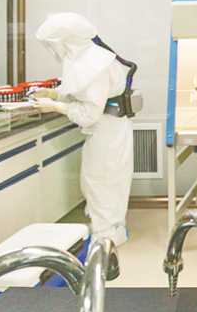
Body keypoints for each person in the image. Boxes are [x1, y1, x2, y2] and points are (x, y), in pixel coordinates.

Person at [33, 13, 133, 246]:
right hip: (108, 129)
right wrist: (54, 94)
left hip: (107, 130)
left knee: (102, 181)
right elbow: (81, 91)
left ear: (65, 40)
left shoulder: (94, 65)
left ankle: (106, 237)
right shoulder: (89, 57)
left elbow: (88, 114)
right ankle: (107, 230)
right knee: (98, 180)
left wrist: (56, 106)